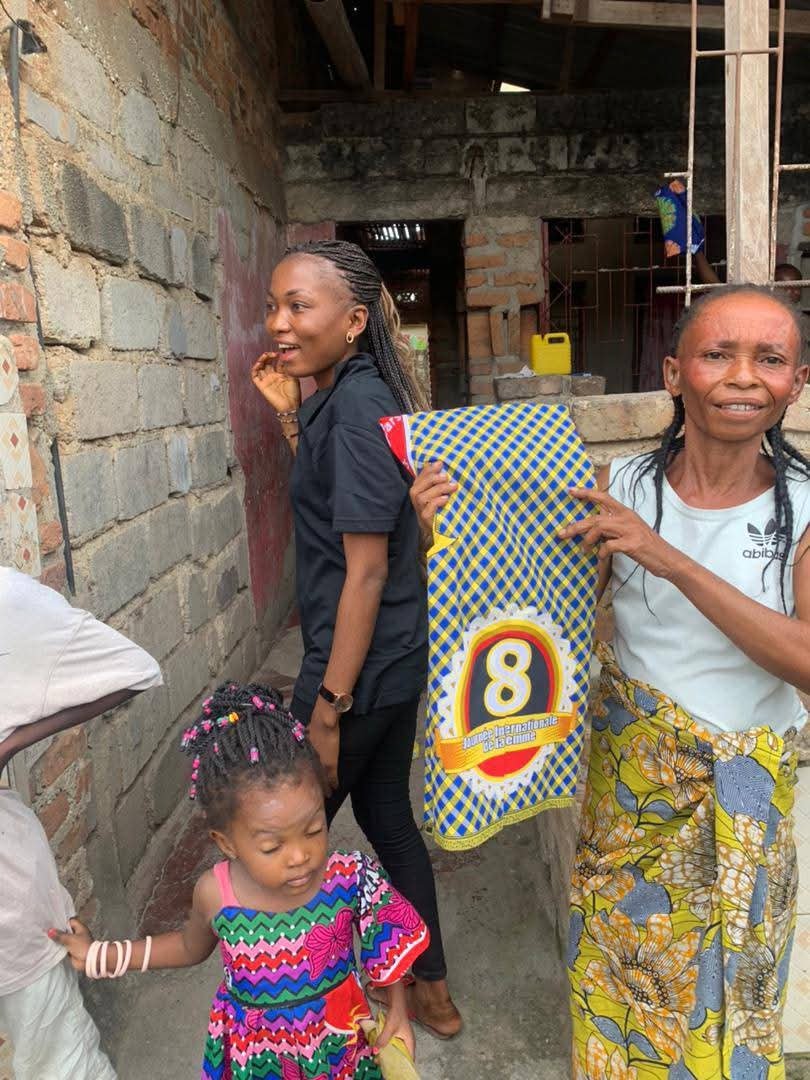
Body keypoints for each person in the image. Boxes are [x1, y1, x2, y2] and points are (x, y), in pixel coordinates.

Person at [411, 285, 810, 1078]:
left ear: (796, 383)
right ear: (674, 374)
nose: (743, 376)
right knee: (618, 985)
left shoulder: (801, 507)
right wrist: (448, 537)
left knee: (725, 1000)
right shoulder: (622, 488)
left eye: (769, 359)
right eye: (717, 354)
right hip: (631, 794)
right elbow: (546, 609)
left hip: (743, 803)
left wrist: (668, 560)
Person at [250, 239, 462, 1039]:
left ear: (354, 321)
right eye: (272, 306)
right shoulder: (344, 398)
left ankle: (290, 1014)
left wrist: (329, 708)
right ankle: (433, 993)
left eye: (298, 306)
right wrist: (287, 413)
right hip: (392, 658)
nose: (278, 323)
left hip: (356, 670)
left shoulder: (354, 409)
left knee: (278, 844)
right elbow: (338, 498)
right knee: (387, 819)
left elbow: (365, 571)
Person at [52, 682, 429, 1080]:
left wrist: (397, 1011)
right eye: (271, 846)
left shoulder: (349, 877)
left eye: (314, 829)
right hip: (260, 1062)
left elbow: (386, 940)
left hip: (340, 1053)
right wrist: (102, 955)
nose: (299, 855)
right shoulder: (216, 894)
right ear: (226, 843)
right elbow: (188, 946)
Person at [0, 566, 162, 1080]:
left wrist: (10, 743)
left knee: (56, 1062)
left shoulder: (5, 600)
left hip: (8, 903)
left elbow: (132, 669)